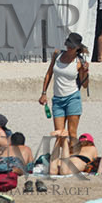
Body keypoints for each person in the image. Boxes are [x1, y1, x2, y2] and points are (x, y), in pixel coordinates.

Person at [39, 33, 90, 162]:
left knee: (72, 133)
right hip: (58, 99)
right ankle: (63, 158)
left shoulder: (80, 61)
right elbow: (49, 73)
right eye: (68, 45)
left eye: (71, 46)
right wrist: (44, 93)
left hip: (73, 97)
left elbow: (85, 85)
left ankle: (74, 159)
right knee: (59, 134)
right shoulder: (57, 54)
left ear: (77, 47)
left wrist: (85, 72)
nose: (68, 48)